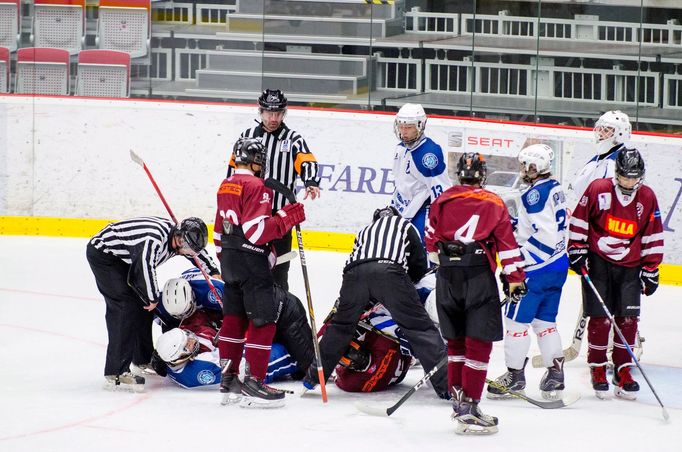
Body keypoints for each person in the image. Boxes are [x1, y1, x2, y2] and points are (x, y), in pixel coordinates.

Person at [426, 152, 526, 435]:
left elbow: (430, 242)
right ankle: (470, 405)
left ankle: (458, 403)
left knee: (456, 343)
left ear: (459, 174)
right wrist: (515, 279)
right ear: (482, 175)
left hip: (446, 278)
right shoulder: (494, 203)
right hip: (478, 277)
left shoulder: (442, 200)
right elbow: (507, 246)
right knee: (478, 344)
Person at [302, 206, 449, 399]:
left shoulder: (364, 231)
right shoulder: (405, 225)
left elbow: (358, 262)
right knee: (419, 328)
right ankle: (447, 386)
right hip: (389, 273)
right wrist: (405, 291)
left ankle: (313, 378)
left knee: (340, 327)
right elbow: (418, 265)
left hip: (353, 275)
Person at [214, 137, 306, 408]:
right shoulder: (257, 186)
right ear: (256, 160)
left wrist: (226, 260)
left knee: (234, 318)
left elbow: (219, 229)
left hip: (229, 260)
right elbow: (257, 232)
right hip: (251, 262)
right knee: (263, 320)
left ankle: (228, 380)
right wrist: (288, 217)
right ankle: (254, 382)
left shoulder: (226, 184)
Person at [567, 148, 663, 400]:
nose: (629, 182)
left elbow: (652, 232)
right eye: (625, 177)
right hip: (598, 263)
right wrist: (577, 249)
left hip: (630, 266)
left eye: (634, 177)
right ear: (617, 173)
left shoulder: (647, 197)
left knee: (628, 319)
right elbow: (579, 220)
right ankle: (597, 368)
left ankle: (622, 370)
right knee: (600, 318)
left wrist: (651, 268)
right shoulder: (598, 189)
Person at [86, 216, 219, 392]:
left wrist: (213, 272)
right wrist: (152, 297)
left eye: (189, 247)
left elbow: (197, 253)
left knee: (143, 308)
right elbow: (144, 266)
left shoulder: (182, 239)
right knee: (124, 308)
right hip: (106, 256)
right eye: (185, 245)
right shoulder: (154, 238)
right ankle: (116, 373)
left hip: (126, 259)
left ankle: (142, 359)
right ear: (178, 235)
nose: (186, 249)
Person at [486, 144, 569, 401]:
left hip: (535, 269)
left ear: (536, 167)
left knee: (516, 324)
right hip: (557, 266)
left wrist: (517, 265)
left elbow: (543, 235)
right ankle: (555, 375)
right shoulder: (554, 188)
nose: (523, 169)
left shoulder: (534, 195)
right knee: (545, 323)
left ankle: (515, 377)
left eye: (526, 165)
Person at [228, 89, 321, 291]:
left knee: (279, 272)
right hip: (251, 216)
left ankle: (279, 314)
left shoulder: (293, 139)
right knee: (250, 269)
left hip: (280, 217)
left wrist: (311, 181)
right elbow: (233, 170)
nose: (273, 118)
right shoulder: (247, 136)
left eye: (278, 113)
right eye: (269, 113)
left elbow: (307, 161)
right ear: (260, 112)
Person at [152, 284, 314, 389]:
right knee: (288, 355)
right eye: (187, 344)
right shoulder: (199, 370)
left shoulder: (177, 349)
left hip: (242, 345)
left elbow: (199, 323)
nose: (191, 339)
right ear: (179, 359)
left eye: (187, 335)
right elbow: (240, 367)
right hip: (254, 368)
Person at [391, 103, 451, 240]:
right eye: (401, 126)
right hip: (402, 210)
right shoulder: (400, 148)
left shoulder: (428, 154)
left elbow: (441, 188)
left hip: (422, 213)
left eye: (409, 127)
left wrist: (438, 220)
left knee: (423, 251)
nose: (403, 131)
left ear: (420, 126)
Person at [569, 110, 631, 201]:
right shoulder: (604, 155)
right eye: (600, 128)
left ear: (620, 134)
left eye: (606, 130)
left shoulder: (616, 163)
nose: (600, 133)